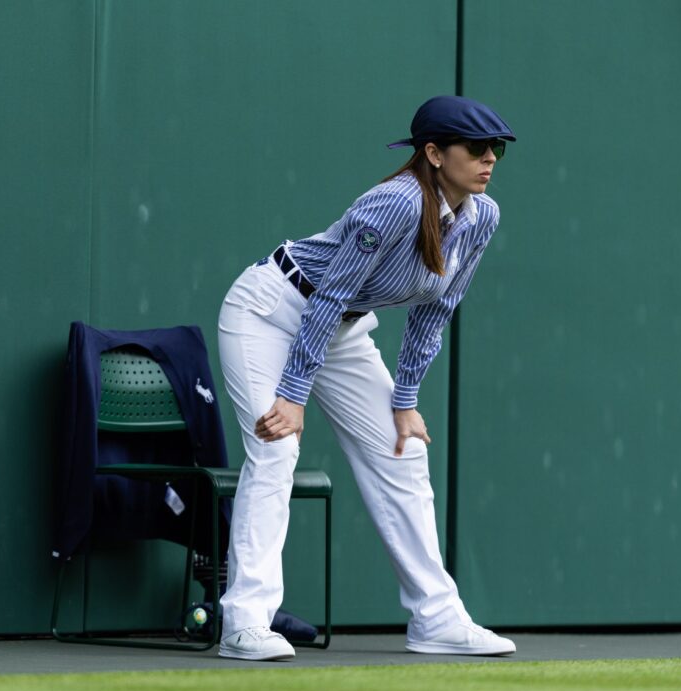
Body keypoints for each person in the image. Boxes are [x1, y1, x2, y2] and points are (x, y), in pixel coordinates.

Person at [216, 95, 517, 660]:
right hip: (270, 311)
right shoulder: (393, 204)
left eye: (496, 148)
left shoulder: (482, 217)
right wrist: (293, 392)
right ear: (433, 153)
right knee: (277, 445)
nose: (489, 159)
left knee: (403, 451)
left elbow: (436, 309)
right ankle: (244, 622)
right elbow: (329, 293)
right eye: (476, 148)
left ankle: (437, 618)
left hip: (341, 330)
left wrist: (406, 400)